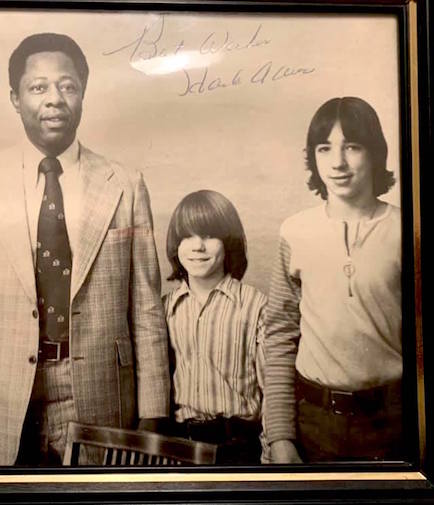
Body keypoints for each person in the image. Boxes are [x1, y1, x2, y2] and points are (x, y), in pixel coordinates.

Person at [0, 32, 170, 466]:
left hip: (100, 391)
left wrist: (154, 408)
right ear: (15, 98)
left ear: (83, 94)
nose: (54, 99)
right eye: (37, 87)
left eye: (67, 85)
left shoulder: (125, 183)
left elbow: (148, 308)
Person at [264, 97, 402, 463]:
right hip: (314, 425)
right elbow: (279, 336)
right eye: (324, 148)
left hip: (394, 423)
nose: (337, 163)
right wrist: (280, 437)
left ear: (375, 152)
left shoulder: (408, 231)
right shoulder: (295, 232)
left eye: (352, 147)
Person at [163, 190, 268, 464]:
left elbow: (274, 394)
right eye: (187, 236)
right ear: (176, 244)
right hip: (178, 447)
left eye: (209, 236)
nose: (197, 246)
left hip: (239, 448)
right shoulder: (164, 308)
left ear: (229, 242)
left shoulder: (256, 306)